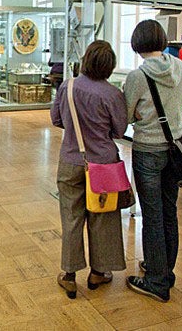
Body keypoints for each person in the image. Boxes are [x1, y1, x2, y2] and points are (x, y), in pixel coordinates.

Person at [51, 40, 128, 299]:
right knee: (103, 218)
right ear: (110, 66)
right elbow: (119, 130)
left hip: (71, 160)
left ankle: (70, 275)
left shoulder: (67, 86)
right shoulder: (113, 94)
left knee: (71, 218)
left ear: (85, 60)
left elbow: (56, 119)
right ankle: (99, 272)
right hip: (103, 164)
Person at [122, 19, 182, 303]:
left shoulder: (138, 76)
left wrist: (138, 116)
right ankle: (165, 270)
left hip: (148, 149)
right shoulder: (179, 66)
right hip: (174, 149)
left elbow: (125, 115)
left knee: (152, 216)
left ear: (137, 44)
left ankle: (156, 282)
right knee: (168, 211)